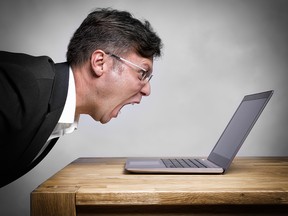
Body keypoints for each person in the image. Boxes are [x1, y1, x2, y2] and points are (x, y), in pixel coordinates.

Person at [0, 8, 163, 187]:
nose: (147, 90)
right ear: (100, 62)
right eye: (142, 73)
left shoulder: (53, 100)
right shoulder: (20, 86)